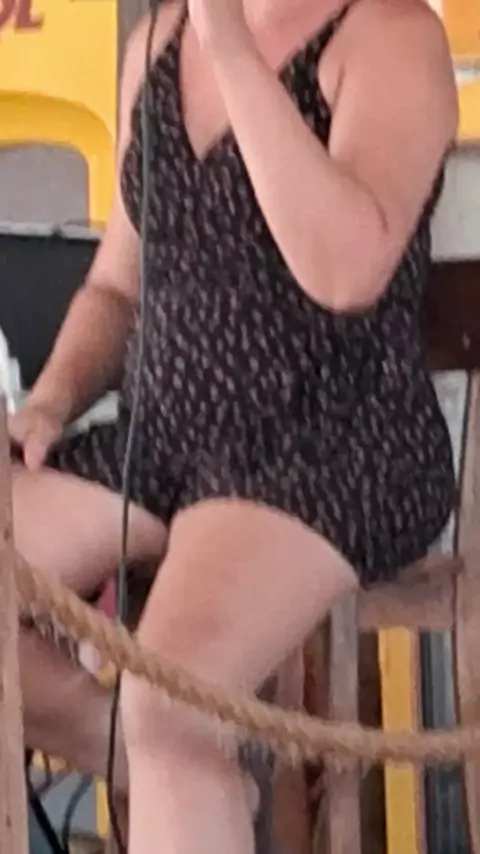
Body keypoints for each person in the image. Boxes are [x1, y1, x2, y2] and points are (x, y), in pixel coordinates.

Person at [10, 0, 458, 851]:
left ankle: (169, 753)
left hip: (326, 447)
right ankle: (145, 756)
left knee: (170, 707)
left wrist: (231, 48)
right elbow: (116, 287)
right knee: (160, 730)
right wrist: (51, 402)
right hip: (164, 442)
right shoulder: (157, 44)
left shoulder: (389, 36)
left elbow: (345, 271)